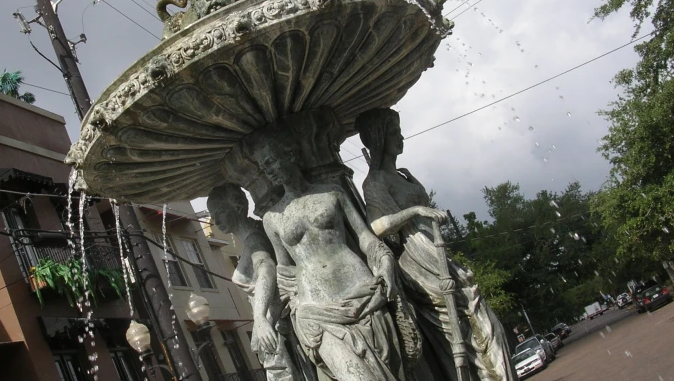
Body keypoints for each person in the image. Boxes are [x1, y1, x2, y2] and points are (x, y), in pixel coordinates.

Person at [356, 107, 517, 381]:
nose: (401, 137)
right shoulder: (375, 181)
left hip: (435, 251)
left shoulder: (404, 175)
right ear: (380, 138)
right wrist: (415, 212)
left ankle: (498, 374)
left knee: (481, 318)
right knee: (459, 328)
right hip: (416, 260)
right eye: (394, 132)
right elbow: (376, 227)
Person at [251, 127, 407, 381]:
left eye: (271, 160)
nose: (267, 169)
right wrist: (262, 318)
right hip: (316, 310)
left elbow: (364, 237)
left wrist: (385, 262)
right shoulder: (272, 218)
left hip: (363, 292)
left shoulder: (332, 191)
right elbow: (283, 271)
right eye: (263, 166)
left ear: (290, 154)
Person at [207, 183, 315, 381]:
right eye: (212, 216)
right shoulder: (253, 234)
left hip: (274, 320)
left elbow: (265, 268)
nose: (215, 221)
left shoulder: (254, 239)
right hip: (273, 319)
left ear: (238, 207)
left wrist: (260, 319)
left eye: (219, 212)